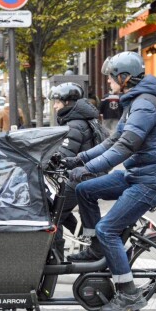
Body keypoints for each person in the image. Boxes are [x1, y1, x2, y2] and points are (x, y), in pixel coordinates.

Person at [63, 51, 156, 311]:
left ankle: (128, 292)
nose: (109, 83)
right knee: (84, 190)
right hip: (138, 174)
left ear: (124, 78)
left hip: (150, 181)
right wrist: (76, 159)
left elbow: (126, 146)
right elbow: (112, 141)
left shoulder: (145, 105)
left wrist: (88, 168)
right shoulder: (134, 103)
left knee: (108, 229)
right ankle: (95, 248)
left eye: (112, 78)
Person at [46, 83, 99, 256]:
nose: (55, 106)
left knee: (53, 215)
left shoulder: (75, 125)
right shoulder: (80, 120)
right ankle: (81, 234)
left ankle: (55, 255)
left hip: (80, 178)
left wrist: (45, 162)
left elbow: (63, 156)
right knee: (61, 208)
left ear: (67, 103)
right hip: (87, 175)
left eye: (57, 102)